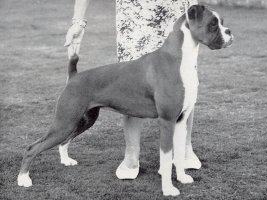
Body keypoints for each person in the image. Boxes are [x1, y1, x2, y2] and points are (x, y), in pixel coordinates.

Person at [64, 0, 201, 180]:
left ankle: (184, 148)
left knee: (182, 78)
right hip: (136, 12)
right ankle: (132, 153)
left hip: (177, 9)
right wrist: (78, 21)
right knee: (133, 80)